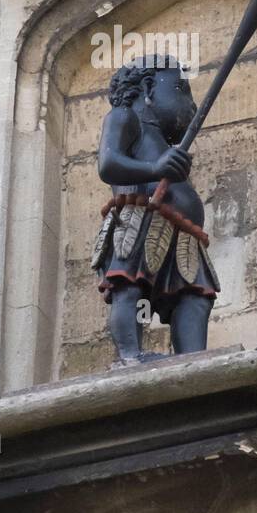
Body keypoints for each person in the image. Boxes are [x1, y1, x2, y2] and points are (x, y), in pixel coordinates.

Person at [92, 55, 219, 363]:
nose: (190, 104)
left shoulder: (162, 141)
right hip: (139, 217)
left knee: (194, 296)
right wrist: (154, 167)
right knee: (130, 284)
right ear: (148, 87)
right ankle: (131, 356)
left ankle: (191, 360)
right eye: (181, 90)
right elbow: (109, 164)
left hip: (182, 232)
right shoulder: (124, 117)